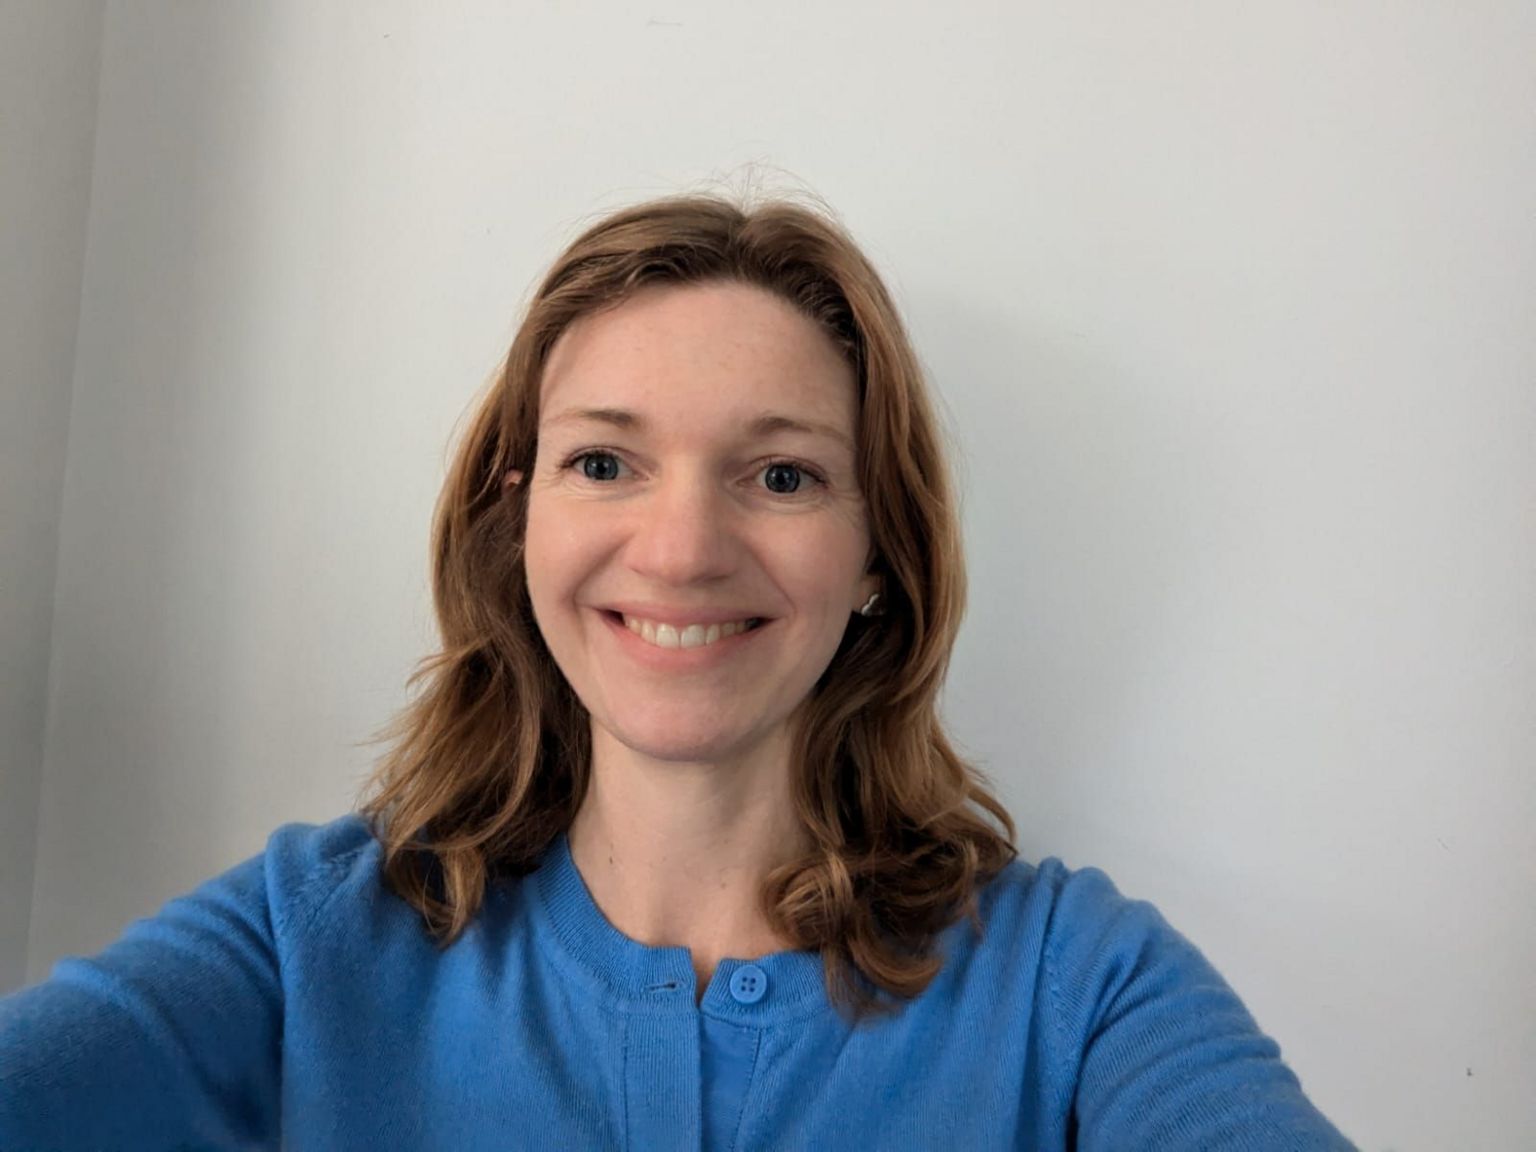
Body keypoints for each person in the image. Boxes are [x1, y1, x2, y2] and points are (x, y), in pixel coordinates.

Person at [0, 191, 1357, 1150]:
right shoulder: (314, 938)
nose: (684, 548)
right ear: (518, 515)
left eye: (780, 474)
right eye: (606, 461)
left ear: (878, 547)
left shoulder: (1079, 982)